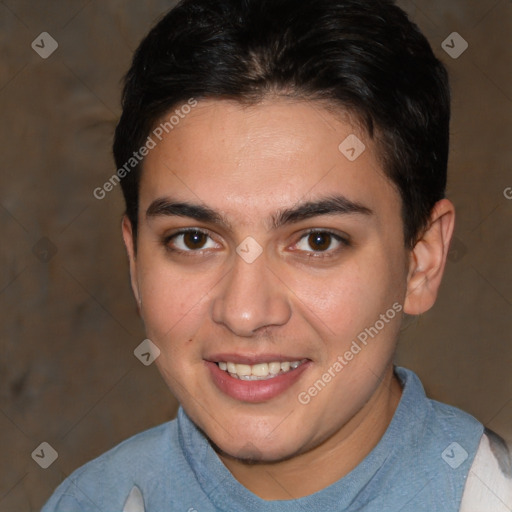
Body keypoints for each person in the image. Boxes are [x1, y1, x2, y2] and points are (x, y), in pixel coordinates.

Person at [42, 0, 512, 510]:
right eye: (194, 239)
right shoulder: (88, 501)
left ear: (421, 261)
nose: (245, 313)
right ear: (136, 262)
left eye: (317, 241)